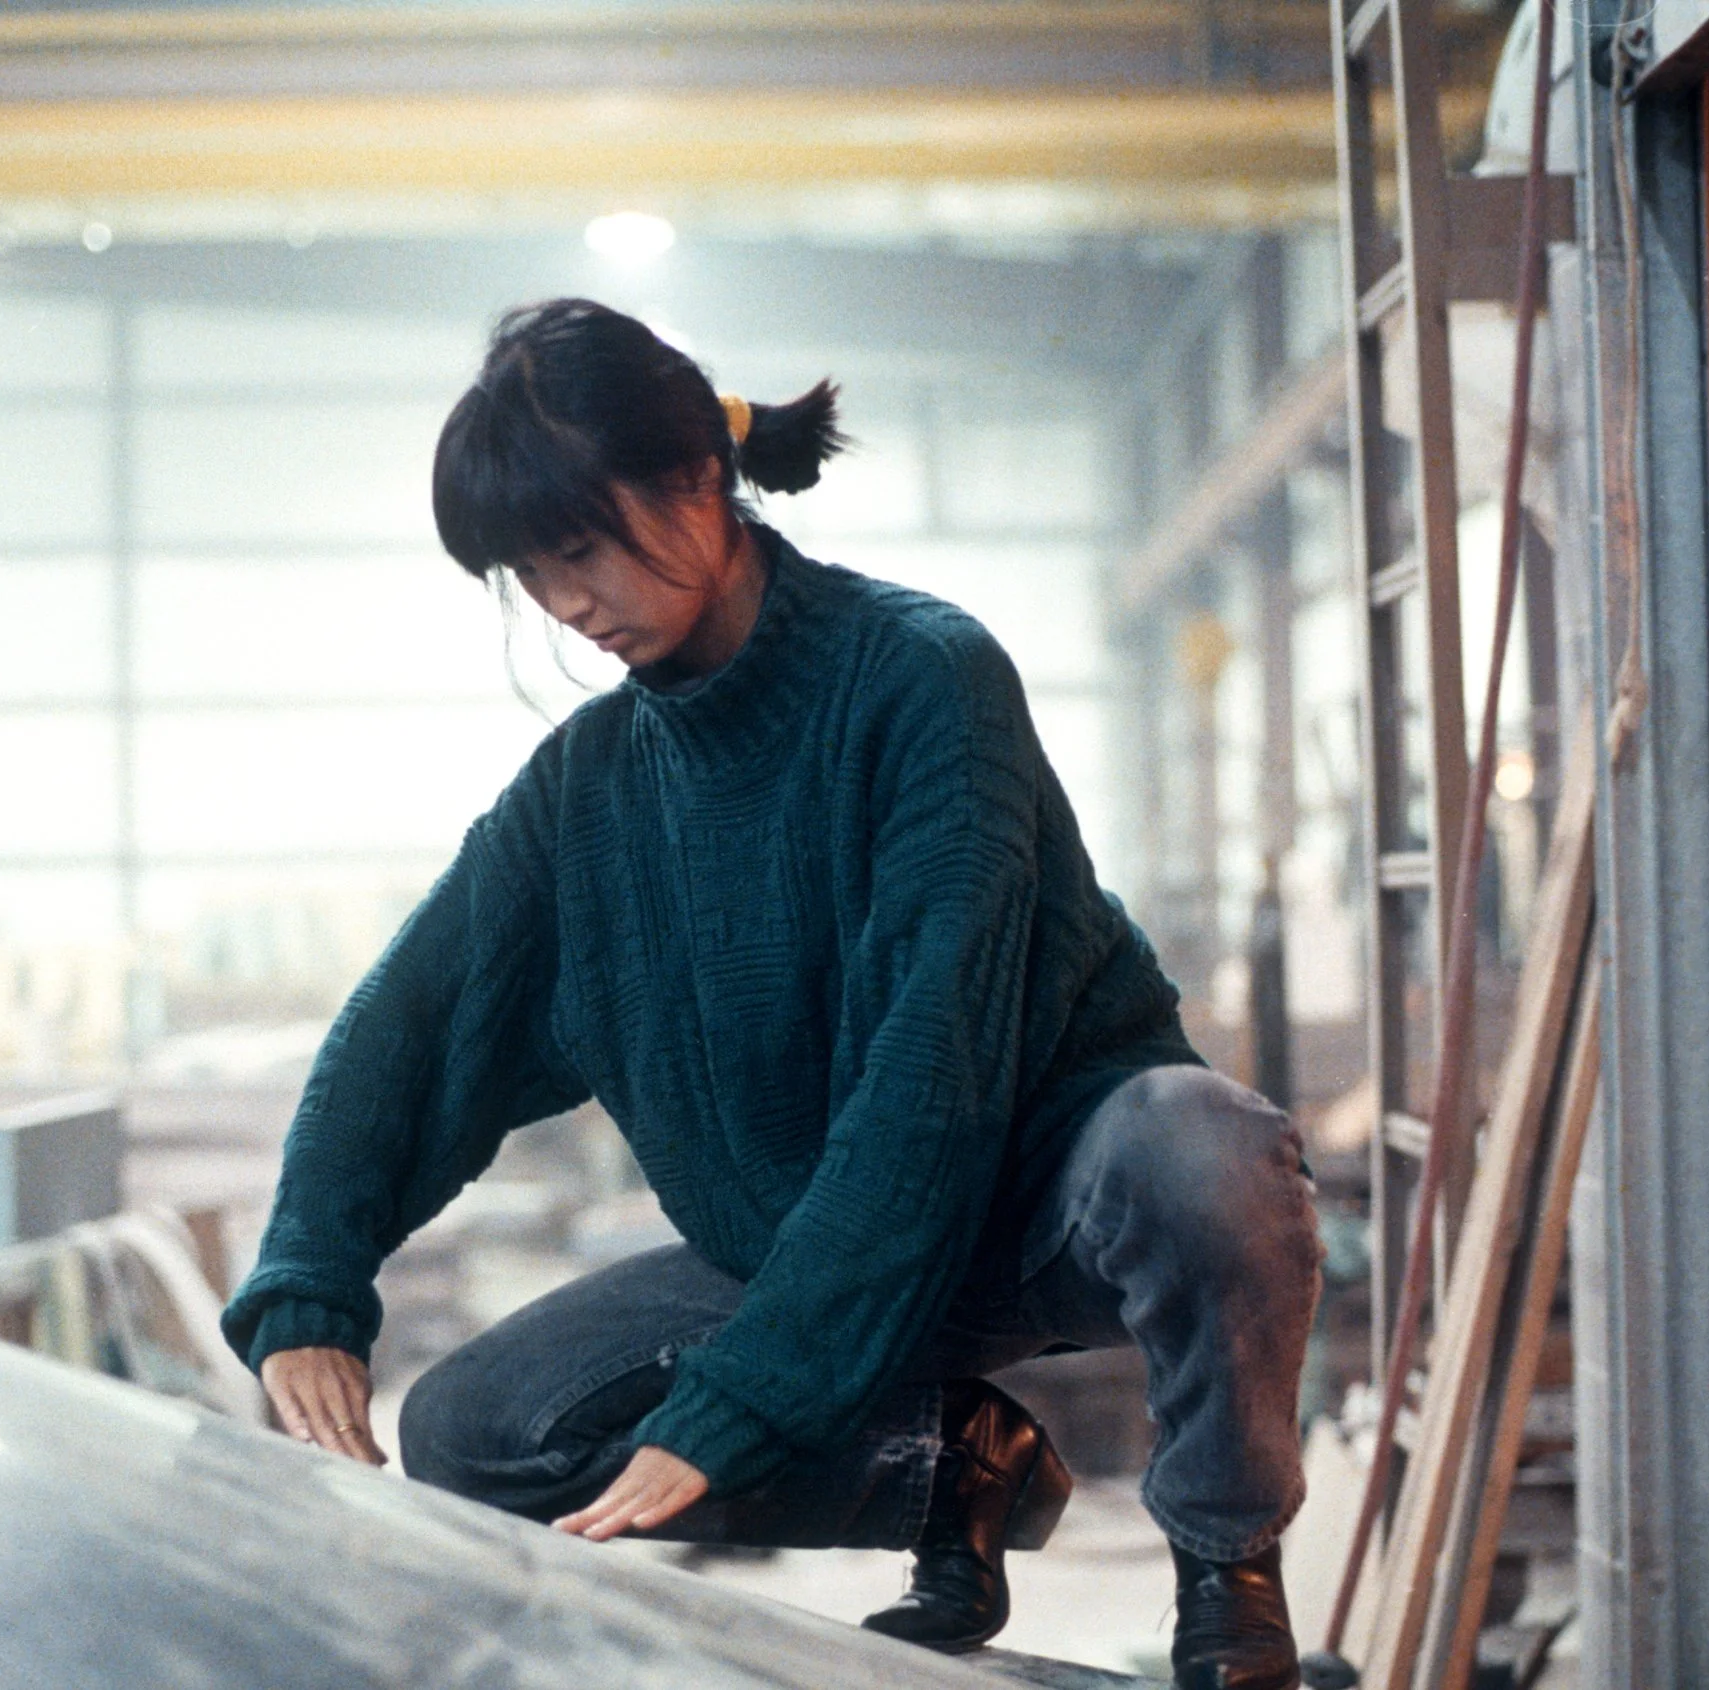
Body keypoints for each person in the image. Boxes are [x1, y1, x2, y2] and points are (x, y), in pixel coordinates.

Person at [220, 298, 1322, 1690]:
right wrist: (310, 1276)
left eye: (575, 548)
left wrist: (741, 1405)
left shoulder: (922, 678)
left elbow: (930, 1078)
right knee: (473, 1431)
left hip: (1040, 1199)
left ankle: (1229, 1577)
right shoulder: (588, 793)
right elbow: (408, 1023)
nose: (564, 603)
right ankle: (948, 1472)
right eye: (528, 573)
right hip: (799, 1244)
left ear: (694, 477)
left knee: (1204, 1146)